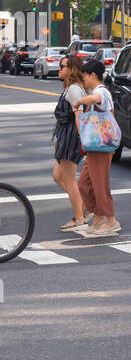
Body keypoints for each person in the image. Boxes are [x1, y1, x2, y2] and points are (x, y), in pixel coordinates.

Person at [73, 59, 121, 237]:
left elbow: (96, 99)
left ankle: (111, 220)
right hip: (95, 145)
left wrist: (80, 102)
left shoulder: (102, 91)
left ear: (92, 75)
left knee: (100, 184)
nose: (84, 79)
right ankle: (99, 217)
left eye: (85, 76)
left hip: (102, 145)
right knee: (85, 184)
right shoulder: (97, 91)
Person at [53, 53, 88, 231]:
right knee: (58, 176)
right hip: (65, 137)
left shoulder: (74, 89)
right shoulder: (70, 88)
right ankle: (84, 208)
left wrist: (82, 139)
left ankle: (79, 218)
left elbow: (79, 114)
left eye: (62, 66)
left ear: (72, 70)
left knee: (68, 179)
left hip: (72, 138)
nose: (59, 68)